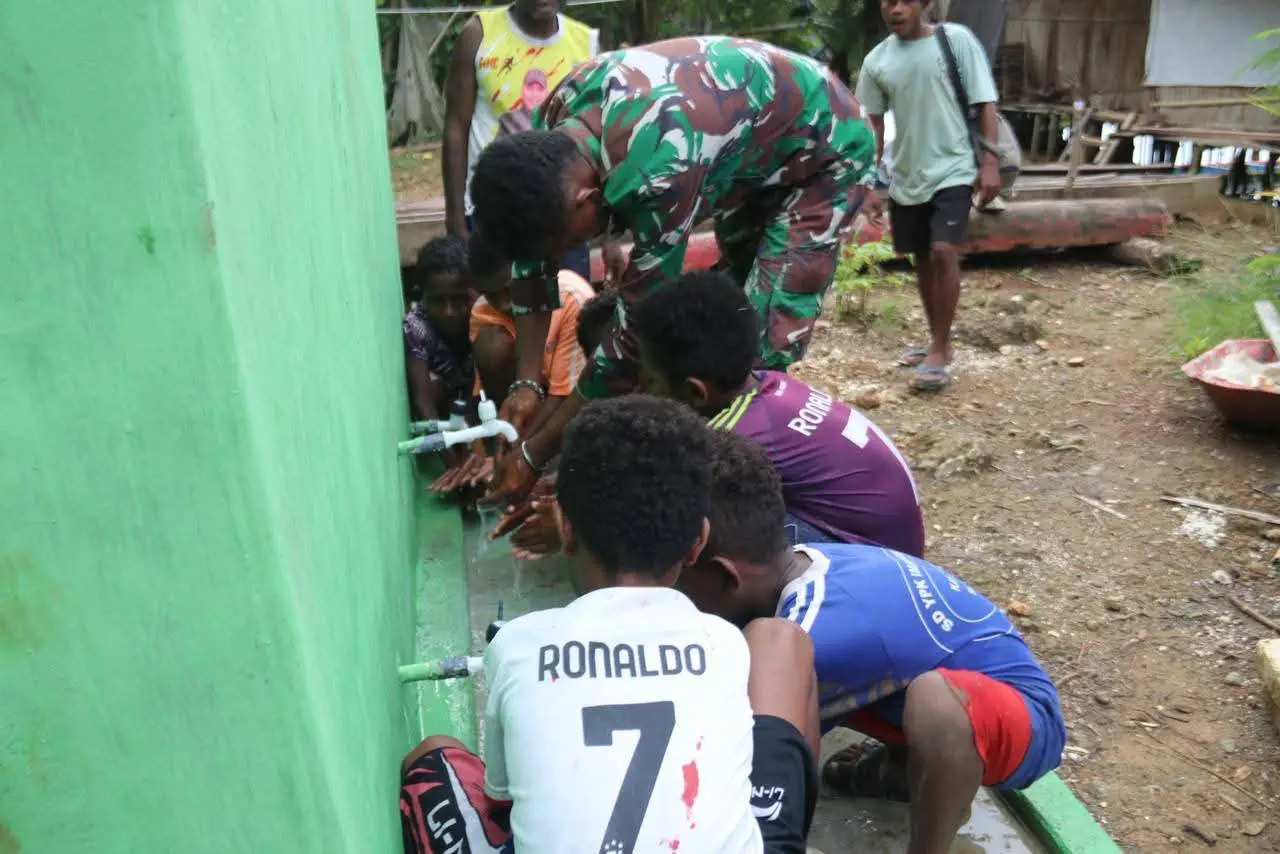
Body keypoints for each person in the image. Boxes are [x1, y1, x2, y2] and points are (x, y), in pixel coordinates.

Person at [399, 396, 821, 854]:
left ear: (564, 529)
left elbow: (500, 798)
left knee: (432, 754)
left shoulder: (518, 645)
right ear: (697, 542)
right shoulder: (724, 643)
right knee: (784, 643)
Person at [469, 35, 878, 506]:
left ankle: (750, 488)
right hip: (751, 148)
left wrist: (536, 455)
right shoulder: (553, 127)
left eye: (569, 242)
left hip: (824, 148)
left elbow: (629, 336)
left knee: (758, 341)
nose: (575, 250)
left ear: (586, 199)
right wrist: (525, 386)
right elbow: (533, 268)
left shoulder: (659, 171)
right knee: (725, 315)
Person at [675, 430, 1067, 854]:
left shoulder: (815, 629)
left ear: (724, 576)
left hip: (1022, 722)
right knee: (884, 677)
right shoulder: (805, 561)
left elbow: (748, 743)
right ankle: (903, 771)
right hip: (957, 683)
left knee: (924, 701)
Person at [630, 270, 925, 557]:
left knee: (696, 525)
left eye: (651, 380)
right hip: (889, 544)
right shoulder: (770, 383)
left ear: (695, 392)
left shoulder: (734, 436)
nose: (641, 388)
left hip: (869, 565)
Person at [855, 0, 1003, 393]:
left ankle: (940, 346)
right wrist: (867, 181)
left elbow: (985, 103)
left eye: (905, 1)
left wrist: (990, 162)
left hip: (953, 166)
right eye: (889, 2)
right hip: (907, 175)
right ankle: (938, 338)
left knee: (942, 250)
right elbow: (871, 124)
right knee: (921, 256)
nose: (896, 9)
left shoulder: (956, 42)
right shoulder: (877, 61)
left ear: (923, 3)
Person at [442, 0, 599, 280]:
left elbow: (598, 134)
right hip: (494, 212)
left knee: (568, 314)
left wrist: (608, 234)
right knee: (498, 313)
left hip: (564, 215)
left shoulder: (585, 42)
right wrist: (455, 219)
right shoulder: (479, 34)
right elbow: (456, 125)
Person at [430, 232, 594, 495]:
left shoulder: (572, 300)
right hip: (525, 398)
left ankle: (528, 448)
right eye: (492, 295)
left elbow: (563, 397)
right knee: (491, 345)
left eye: (509, 288)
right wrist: (480, 451)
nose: (504, 303)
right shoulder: (483, 310)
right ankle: (513, 442)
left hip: (575, 399)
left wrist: (519, 457)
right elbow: (481, 396)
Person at [402, 235, 476, 422]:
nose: (449, 312)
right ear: (423, 294)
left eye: (459, 299)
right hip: (447, 402)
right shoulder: (417, 327)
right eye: (437, 301)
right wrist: (442, 445)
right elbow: (423, 401)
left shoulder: (482, 313)